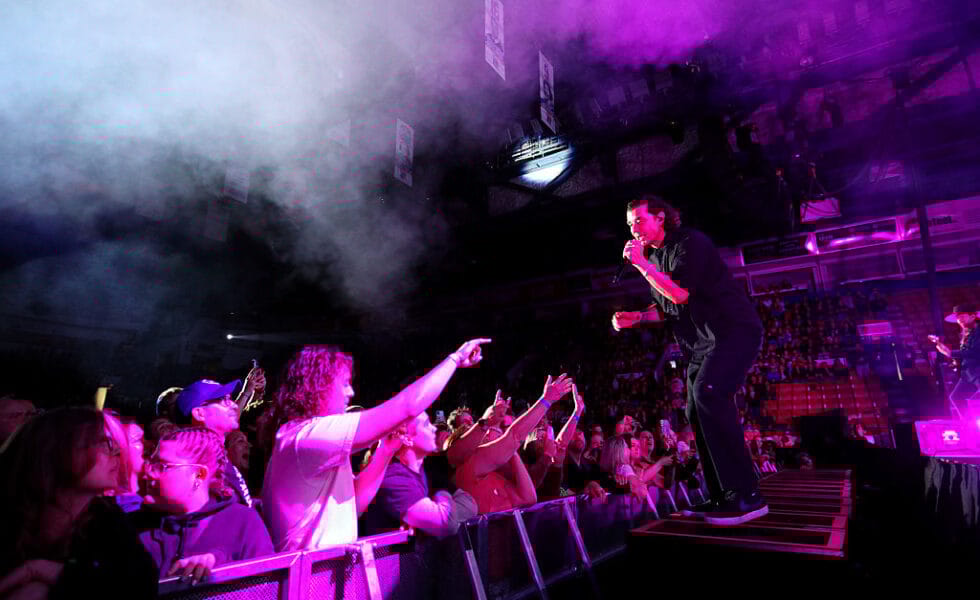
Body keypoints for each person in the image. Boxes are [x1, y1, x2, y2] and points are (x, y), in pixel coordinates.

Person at [613, 195, 767, 525]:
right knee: (695, 410)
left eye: (639, 220)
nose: (634, 229)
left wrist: (641, 265)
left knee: (709, 394)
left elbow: (680, 293)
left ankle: (746, 494)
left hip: (731, 330)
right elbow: (667, 308)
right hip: (700, 345)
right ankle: (722, 494)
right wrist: (636, 318)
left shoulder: (690, 243)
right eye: (629, 224)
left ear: (660, 218)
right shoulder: (655, 257)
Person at [262, 338, 490, 551]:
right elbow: (407, 406)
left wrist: (386, 449)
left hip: (324, 572)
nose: (351, 392)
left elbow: (354, 505)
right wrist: (455, 359)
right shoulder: (308, 435)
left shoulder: (307, 437)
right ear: (319, 385)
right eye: (344, 384)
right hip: (310, 577)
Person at [0, 407, 157, 600]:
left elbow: (141, 584)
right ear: (55, 450)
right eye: (104, 443)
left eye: (115, 444)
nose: (117, 451)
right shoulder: (8, 517)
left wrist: (49, 572)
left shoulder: (106, 517)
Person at [136, 427, 273, 584]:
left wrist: (222, 570)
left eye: (162, 466)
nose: (147, 473)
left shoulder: (243, 521)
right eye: (150, 464)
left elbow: (267, 587)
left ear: (198, 475)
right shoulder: (136, 527)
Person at [362, 412, 477, 537]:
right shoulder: (394, 477)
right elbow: (447, 523)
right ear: (407, 438)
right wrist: (441, 493)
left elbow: (469, 508)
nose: (434, 428)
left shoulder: (421, 471)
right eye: (426, 425)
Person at [175, 379, 254, 507]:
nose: (234, 405)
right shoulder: (198, 463)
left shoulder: (216, 455)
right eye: (224, 400)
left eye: (230, 398)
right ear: (199, 413)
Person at [928, 304, 980, 418]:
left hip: (977, 372)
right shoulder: (968, 333)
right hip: (969, 374)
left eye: (962, 316)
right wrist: (948, 353)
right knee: (957, 397)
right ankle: (969, 423)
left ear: (972, 316)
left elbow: (975, 352)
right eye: (958, 318)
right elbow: (965, 354)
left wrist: (951, 353)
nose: (959, 320)